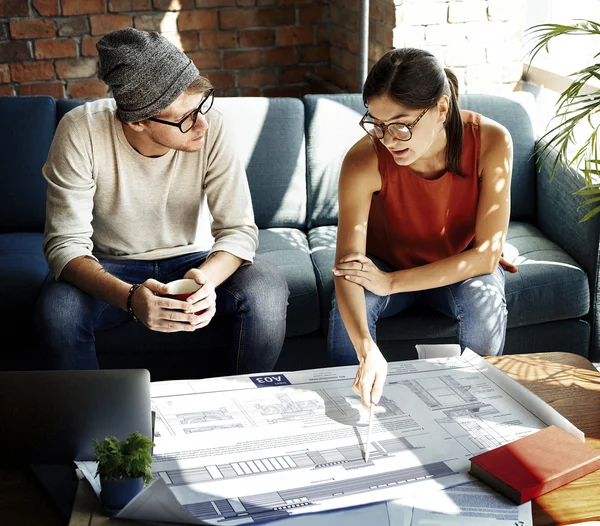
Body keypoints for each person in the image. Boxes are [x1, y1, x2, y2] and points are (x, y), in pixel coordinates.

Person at [34, 27, 289, 374]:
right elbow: (65, 247)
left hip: (194, 261)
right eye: (185, 118)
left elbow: (239, 231)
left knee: (267, 286)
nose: (202, 125)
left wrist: (205, 282)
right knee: (58, 309)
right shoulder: (80, 131)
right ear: (137, 121)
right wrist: (130, 298)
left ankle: (240, 410)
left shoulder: (212, 127)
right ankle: (96, 427)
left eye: (202, 105)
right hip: (111, 265)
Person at [328, 48, 517, 409]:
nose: (388, 139)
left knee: (483, 301)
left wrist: (394, 283)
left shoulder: (492, 141)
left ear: (442, 109)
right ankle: (348, 408)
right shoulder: (363, 159)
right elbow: (349, 268)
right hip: (384, 264)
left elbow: (486, 257)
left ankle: (474, 409)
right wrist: (367, 349)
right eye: (377, 124)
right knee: (348, 313)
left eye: (401, 125)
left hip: (455, 268)